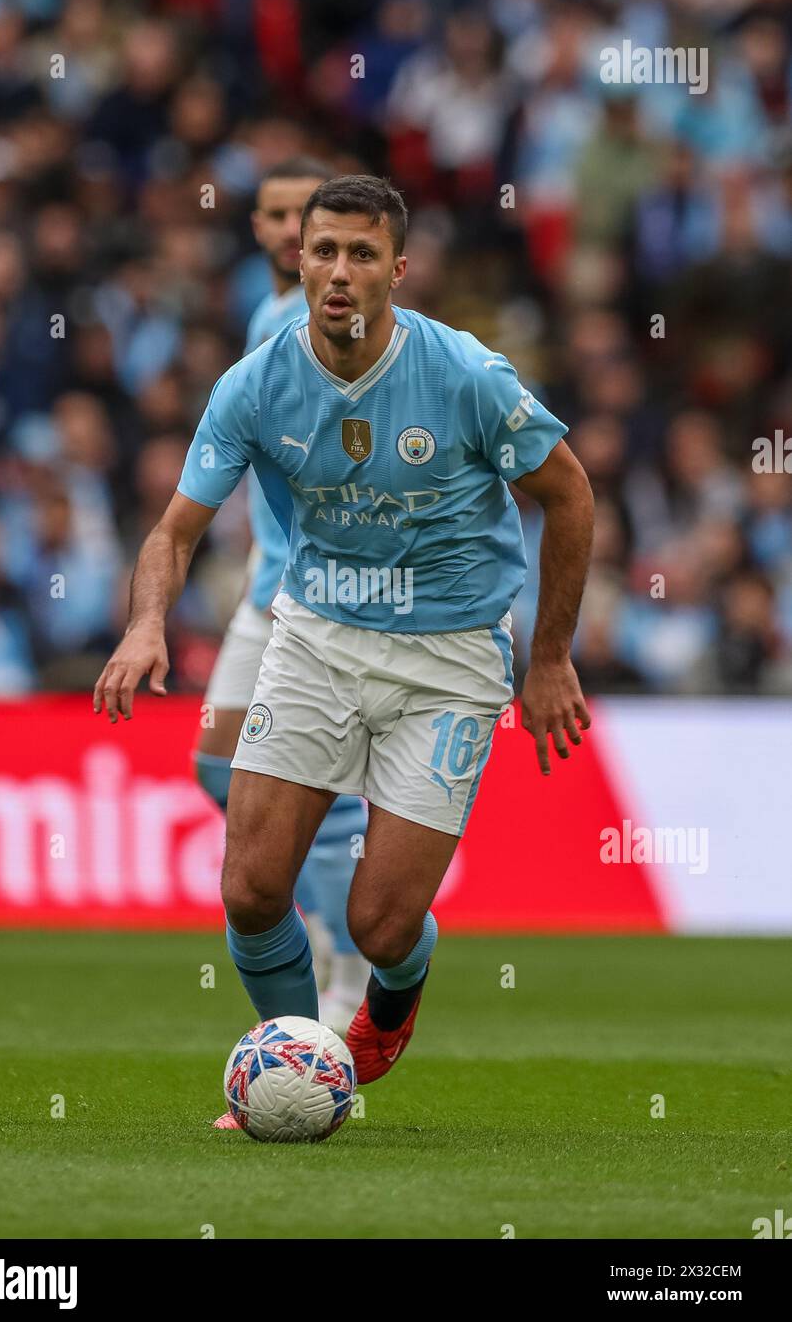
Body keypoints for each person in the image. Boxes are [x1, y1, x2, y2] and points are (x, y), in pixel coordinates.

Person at [93, 175, 594, 1130]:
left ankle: (394, 998)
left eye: (362, 255)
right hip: (317, 639)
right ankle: (299, 1068)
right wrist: (145, 622)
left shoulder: (467, 377)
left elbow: (570, 497)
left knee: (380, 925)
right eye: (323, 251)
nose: (338, 271)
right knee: (249, 889)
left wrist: (550, 657)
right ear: (298, 260)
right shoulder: (255, 384)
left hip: (449, 658)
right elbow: (173, 531)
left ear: (397, 271)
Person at [193, 157, 370, 1033]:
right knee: (215, 763)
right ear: (260, 229)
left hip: (310, 596)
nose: (284, 228)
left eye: (302, 215)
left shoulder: (331, 320)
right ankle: (331, 920)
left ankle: (345, 957)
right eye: (271, 214)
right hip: (264, 587)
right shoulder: (264, 316)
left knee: (320, 790)